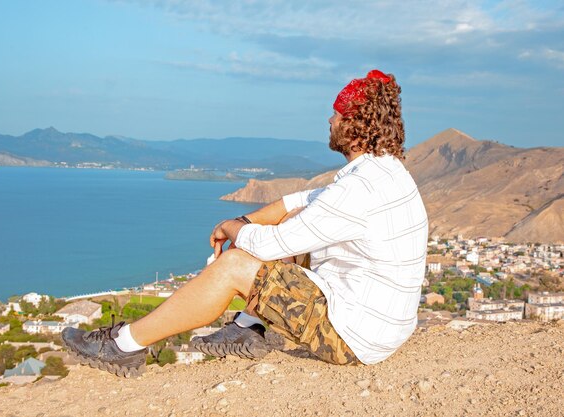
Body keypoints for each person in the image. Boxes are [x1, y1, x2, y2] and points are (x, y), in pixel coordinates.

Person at [62, 69, 429, 377]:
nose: (329, 120)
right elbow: (297, 201)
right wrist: (243, 219)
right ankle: (247, 329)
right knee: (293, 223)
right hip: (382, 326)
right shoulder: (384, 173)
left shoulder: (357, 189)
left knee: (236, 265)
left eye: (335, 114)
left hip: (357, 338)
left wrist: (231, 228)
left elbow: (267, 246)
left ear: (353, 124)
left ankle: (122, 345)